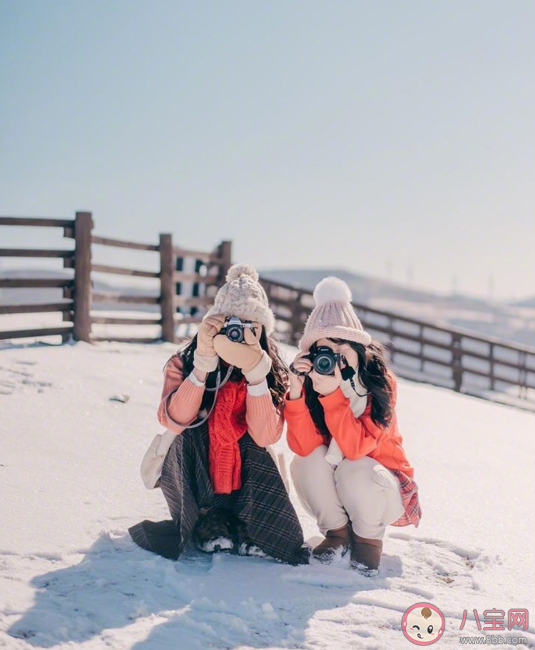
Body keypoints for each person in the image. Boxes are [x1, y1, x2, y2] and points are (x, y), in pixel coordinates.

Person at [129, 264, 306, 565]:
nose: (240, 335)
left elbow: (267, 435)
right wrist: (202, 367)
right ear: (215, 325)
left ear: (263, 332)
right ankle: (206, 521)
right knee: (189, 433)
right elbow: (172, 419)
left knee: (251, 441)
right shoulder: (184, 362)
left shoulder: (271, 371)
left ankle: (246, 524)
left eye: (251, 327)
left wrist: (256, 377)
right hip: (196, 474)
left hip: (246, 480)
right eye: (232, 325)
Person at [285, 276, 421, 573]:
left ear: (358, 346)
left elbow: (357, 447)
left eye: (339, 346)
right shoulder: (315, 383)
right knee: (305, 460)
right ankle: (337, 533)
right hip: (339, 489)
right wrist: (297, 391)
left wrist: (334, 396)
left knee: (354, 466)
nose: (332, 357)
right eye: (323, 350)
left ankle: (367, 540)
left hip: (382, 489)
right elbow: (303, 446)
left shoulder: (379, 383)